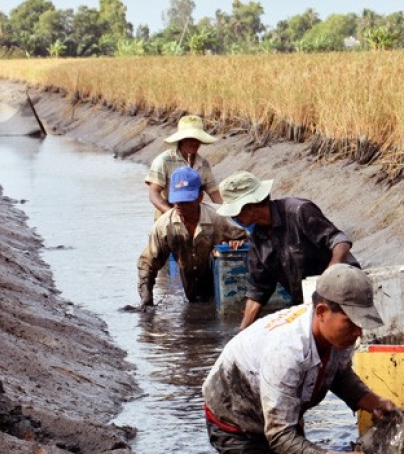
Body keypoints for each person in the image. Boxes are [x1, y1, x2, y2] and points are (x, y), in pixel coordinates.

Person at [202, 263, 394, 454]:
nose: (358, 332)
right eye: (351, 323)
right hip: (236, 420)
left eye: (361, 324)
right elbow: (280, 436)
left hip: (274, 409)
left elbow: (338, 374)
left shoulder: (339, 334)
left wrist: (372, 402)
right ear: (321, 312)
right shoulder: (286, 352)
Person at [215, 171, 358, 329]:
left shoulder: (299, 211)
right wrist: (242, 334)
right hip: (309, 304)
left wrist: (331, 273)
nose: (233, 218)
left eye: (234, 212)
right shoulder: (257, 238)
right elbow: (259, 290)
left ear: (249, 207)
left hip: (346, 294)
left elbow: (339, 241)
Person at [138, 167, 246, 307]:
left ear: (199, 197)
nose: (179, 206)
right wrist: (146, 299)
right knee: (195, 308)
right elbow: (147, 264)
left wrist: (237, 243)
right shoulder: (164, 226)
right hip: (190, 283)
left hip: (220, 281)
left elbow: (248, 239)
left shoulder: (218, 217)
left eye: (185, 201)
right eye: (176, 201)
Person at [145, 115, 223, 219]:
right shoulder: (164, 161)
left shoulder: (203, 164)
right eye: (189, 138)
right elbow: (153, 193)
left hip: (193, 218)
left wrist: (227, 214)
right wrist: (170, 214)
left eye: (197, 138)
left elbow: (214, 193)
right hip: (167, 218)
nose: (194, 142)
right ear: (181, 139)